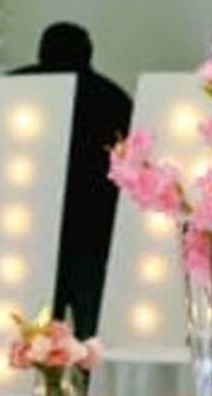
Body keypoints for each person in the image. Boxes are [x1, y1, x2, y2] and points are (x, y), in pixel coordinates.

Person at [16, 21, 135, 336]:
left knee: (32, 336)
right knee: (92, 333)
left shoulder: (16, 92)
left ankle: (42, 385)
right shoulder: (112, 97)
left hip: (30, 232)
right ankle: (94, 384)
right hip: (94, 233)